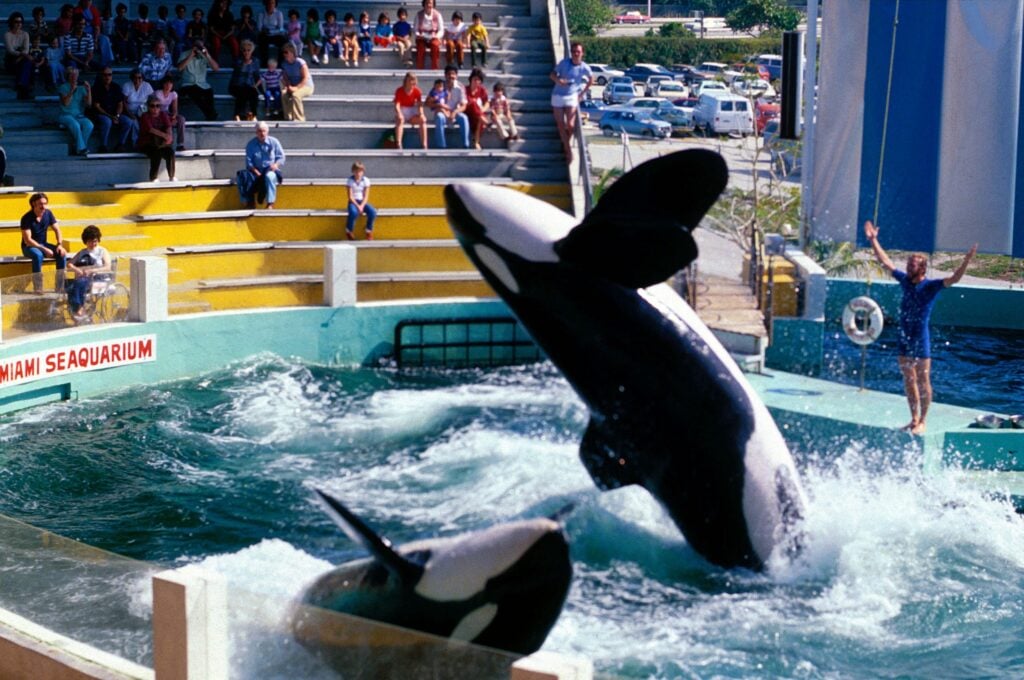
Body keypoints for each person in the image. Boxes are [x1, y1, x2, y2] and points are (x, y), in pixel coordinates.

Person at [864, 219, 977, 434]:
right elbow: (886, 262)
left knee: (923, 379)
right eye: (908, 265)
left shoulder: (931, 286)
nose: (907, 268)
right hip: (905, 335)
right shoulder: (905, 281)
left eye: (912, 266)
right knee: (909, 378)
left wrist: (967, 261)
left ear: (922, 268)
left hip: (920, 336)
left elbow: (954, 279)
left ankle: (923, 420)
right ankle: (913, 418)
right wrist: (873, 241)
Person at [550, 41, 591, 164]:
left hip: (572, 96)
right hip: (558, 95)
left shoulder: (584, 67)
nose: (575, 54)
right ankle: (568, 151)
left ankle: (565, 146)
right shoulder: (564, 63)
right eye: (573, 52)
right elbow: (552, 74)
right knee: (560, 125)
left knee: (571, 125)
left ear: (582, 53)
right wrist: (559, 80)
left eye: (578, 52)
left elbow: (591, 79)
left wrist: (582, 94)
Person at [20, 192, 67, 294]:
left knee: (62, 254)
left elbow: (57, 230)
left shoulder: (48, 213)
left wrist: (59, 245)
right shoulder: (26, 218)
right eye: (41, 204)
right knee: (38, 255)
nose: (43, 206)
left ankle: (59, 286)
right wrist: (44, 249)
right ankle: (38, 287)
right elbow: (28, 240)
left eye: (45, 203)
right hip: (29, 247)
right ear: (33, 204)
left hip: (43, 243)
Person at [65, 224, 112, 320]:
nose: (93, 244)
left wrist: (92, 271)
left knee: (79, 283)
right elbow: (69, 264)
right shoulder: (82, 252)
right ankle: (76, 310)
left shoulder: (102, 251)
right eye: (90, 241)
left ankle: (80, 308)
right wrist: (77, 269)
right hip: (84, 278)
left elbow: (107, 267)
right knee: (69, 286)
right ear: (85, 241)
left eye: (95, 241)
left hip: (99, 278)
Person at [90, 67, 135, 152]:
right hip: (101, 114)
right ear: (101, 76)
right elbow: (97, 106)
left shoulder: (116, 87)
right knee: (107, 121)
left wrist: (117, 116)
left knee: (129, 122)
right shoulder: (96, 88)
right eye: (105, 75)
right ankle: (103, 146)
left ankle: (120, 144)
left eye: (109, 75)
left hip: (115, 114)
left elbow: (120, 104)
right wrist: (111, 117)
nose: (107, 77)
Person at [242, 120, 284, 208]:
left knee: (270, 176)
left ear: (267, 131)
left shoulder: (274, 142)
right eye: (260, 131)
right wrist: (257, 173)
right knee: (242, 176)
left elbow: (281, 157)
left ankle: (270, 203)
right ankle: (249, 202)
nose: (262, 133)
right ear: (256, 132)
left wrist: (276, 165)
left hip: (270, 169)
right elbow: (249, 162)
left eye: (264, 131)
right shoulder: (251, 144)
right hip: (255, 170)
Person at [177, 37, 219, 120]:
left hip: (202, 84)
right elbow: (179, 68)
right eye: (197, 45)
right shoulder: (185, 54)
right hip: (188, 84)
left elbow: (216, 69)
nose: (199, 48)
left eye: (201, 46)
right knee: (194, 92)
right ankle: (211, 115)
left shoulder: (204, 55)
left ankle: (210, 115)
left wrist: (207, 55)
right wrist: (191, 55)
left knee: (209, 92)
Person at [428, 64, 468, 149]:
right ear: (445, 75)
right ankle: (441, 146)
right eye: (449, 74)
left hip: (455, 112)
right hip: (442, 112)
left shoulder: (460, 87)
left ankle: (466, 145)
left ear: (456, 76)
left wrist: (454, 112)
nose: (451, 76)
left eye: (453, 74)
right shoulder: (439, 86)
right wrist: (438, 105)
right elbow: (427, 103)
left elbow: (464, 106)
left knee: (464, 118)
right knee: (439, 117)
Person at [138, 94, 176, 181]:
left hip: (160, 143)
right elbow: (151, 130)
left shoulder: (163, 114)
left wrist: (169, 137)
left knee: (170, 152)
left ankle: (171, 176)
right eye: (152, 106)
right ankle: (153, 178)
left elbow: (168, 126)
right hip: (146, 143)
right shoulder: (145, 116)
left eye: (158, 106)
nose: (155, 108)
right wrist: (165, 136)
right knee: (156, 153)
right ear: (148, 107)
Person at [58, 65, 93, 155]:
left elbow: (88, 104)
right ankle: (81, 148)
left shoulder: (81, 88)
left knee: (89, 125)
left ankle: (79, 147)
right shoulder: (63, 87)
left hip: (77, 115)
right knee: (75, 124)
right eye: (72, 75)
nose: (74, 77)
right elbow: (65, 103)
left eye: (76, 75)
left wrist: (89, 91)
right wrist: (71, 91)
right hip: (65, 115)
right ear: (68, 76)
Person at [393, 71, 427, 150]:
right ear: (406, 81)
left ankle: (424, 144)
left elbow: (419, 104)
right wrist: (399, 113)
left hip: (411, 110)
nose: (412, 82)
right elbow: (397, 104)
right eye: (410, 80)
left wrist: (421, 113)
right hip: (402, 109)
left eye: (413, 80)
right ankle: (398, 143)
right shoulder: (399, 90)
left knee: (423, 120)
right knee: (400, 120)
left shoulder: (417, 91)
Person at [279, 42, 313, 121]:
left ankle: (299, 118)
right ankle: (288, 116)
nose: (285, 54)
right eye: (283, 52)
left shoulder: (300, 62)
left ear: (292, 52)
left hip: (306, 86)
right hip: (293, 85)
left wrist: (297, 88)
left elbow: (305, 78)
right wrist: (288, 86)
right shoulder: (284, 64)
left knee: (296, 95)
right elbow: (285, 78)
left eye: (286, 52)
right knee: (284, 94)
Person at [5, 13, 35, 99]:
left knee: (27, 63)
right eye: (16, 22)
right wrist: (22, 54)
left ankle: (21, 85)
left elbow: (26, 49)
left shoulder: (25, 34)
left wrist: (21, 56)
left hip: (22, 58)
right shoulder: (7, 35)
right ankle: (25, 88)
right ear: (12, 22)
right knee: (28, 63)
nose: (19, 24)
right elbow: (11, 50)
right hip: (11, 58)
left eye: (20, 22)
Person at [230, 38, 261, 120]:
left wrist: (256, 85)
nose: (246, 52)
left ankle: (253, 115)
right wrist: (245, 64)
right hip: (236, 85)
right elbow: (238, 74)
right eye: (244, 50)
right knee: (242, 92)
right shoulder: (238, 61)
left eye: (248, 50)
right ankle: (238, 115)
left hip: (249, 85)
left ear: (252, 51)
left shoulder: (255, 61)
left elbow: (257, 76)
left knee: (253, 93)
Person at [345, 161, 376, 240]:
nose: (358, 173)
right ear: (353, 171)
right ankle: (349, 230)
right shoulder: (350, 181)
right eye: (356, 171)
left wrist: (362, 205)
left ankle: (368, 230)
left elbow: (366, 196)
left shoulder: (366, 180)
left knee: (372, 212)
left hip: (362, 201)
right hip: (353, 202)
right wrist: (358, 206)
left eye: (360, 171)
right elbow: (350, 197)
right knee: (353, 213)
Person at [154, 75, 186, 150]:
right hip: (158, 113)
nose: (168, 86)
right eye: (166, 83)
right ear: (163, 84)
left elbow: (175, 109)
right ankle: (168, 144)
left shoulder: (174, 94)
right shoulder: (158, 93)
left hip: (167, 113)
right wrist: (169, 119)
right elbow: (156, 108)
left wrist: (174, 116)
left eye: (170, 83)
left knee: (181, 119)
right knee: (168, 122)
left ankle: (180, 144)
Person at [414, 0, 443, 70]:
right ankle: (420, 68)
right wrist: (418, 35)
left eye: (430, 3)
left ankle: (434, 68)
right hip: (422, 37)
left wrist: (436, 36)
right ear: (424, 4)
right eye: (427, 3)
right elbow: (415, 29)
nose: (428, 5)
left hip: (433, 36)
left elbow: (441, 30)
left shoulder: (437, 15)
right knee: (420, 47)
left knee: (435, 46)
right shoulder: (419, 14)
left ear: (433, 4)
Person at [465, 67, 488, 150]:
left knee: (479, 118)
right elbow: (466, 103)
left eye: (478, 80)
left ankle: (476, 142)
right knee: (474, 103)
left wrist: (482, 110)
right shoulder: (465, 90)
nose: (476, 81)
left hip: (478, 114)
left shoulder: (482, 90)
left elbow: (487, 103)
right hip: (468, 113)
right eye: (474, 79)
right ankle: (485, 121)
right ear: (471, 79)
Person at [255, 0, 285, 65]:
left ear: (275, 4)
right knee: (262, 41)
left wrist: (272, 31)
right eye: (269, 3)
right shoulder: (261, 13)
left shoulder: (279, 13)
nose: (270, 4)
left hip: (275, 34)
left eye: (272, 3)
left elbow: (281, 28)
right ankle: (264, 64)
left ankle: (280, 63)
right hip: (265, 34)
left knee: (283, 41)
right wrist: (264, 31)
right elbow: (259, 28)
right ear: (265, 3)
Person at [490, 81, 518, 145]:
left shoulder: (504, 99)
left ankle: (514, 133)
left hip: (502, 113)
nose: (498, 93)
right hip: (496, 114)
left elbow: (507, 108)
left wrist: (508, 114)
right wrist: (495, 115)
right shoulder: (493, 100)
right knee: (498, 121)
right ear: (494, 92)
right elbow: (492, 109)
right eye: (497, 91)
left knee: (510, 119)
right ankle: (505, 136)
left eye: (500, 91)